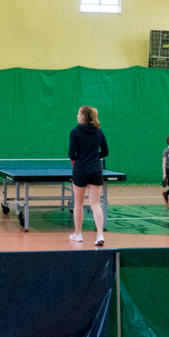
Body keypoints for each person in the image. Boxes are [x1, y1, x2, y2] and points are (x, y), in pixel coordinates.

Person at [68, 105, 109, 246]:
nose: (77, 116)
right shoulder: (99, 131)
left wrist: (78, 158)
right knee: (95, 203)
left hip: (80, 170)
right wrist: (94, 157)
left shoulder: (75, 132)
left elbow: (71, 154)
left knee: (78, 203)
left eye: (78, 113)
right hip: (96, 170)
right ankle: (100, 234)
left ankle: (78, 234)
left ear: (82, 116)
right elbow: (105, 152)